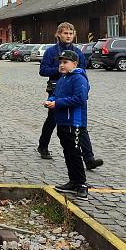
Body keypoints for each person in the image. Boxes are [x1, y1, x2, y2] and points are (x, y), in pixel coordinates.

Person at [37, 22, 103, 171]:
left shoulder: (78, 52)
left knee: (79, 123)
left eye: (70, 33)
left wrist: (83, 85)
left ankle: (89, 158)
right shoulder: (51, 51)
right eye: (65, 33)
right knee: (53, 120)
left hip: (74, 87)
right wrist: (61, 69)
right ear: (59, 34)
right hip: (56, 89)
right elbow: (43, 70)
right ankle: (43, 146)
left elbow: (83, 70)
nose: (68, 36)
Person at [44, 50, 89, 199]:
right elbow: (57, 94)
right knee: (68, 152)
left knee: (75, 153)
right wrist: (51, 99)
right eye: (60, 62)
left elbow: (80, 99)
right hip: (62, 121)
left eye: (65, 62)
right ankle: (73, 180)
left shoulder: (78, 79)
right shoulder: (63, 78)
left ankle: (81, 184)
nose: (62, 65)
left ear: (74, 64)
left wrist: (57, 103)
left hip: (74, 122)